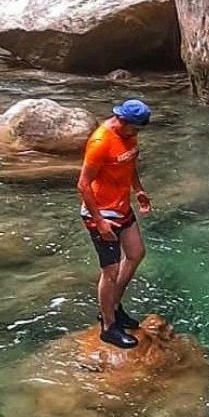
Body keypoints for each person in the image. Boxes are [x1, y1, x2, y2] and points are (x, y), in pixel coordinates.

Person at [77, 99, 153, 349]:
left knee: (135, 254)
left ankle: (114, 306)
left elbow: (129, 165)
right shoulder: (100, 142)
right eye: (135, 127)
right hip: (101, 213)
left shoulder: (129, 137)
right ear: (122, 120)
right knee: (109, 271)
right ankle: (108, 327)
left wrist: (139, 191)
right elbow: (83, 184)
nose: (137, 133)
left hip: (122, 206)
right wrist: (99, 222)